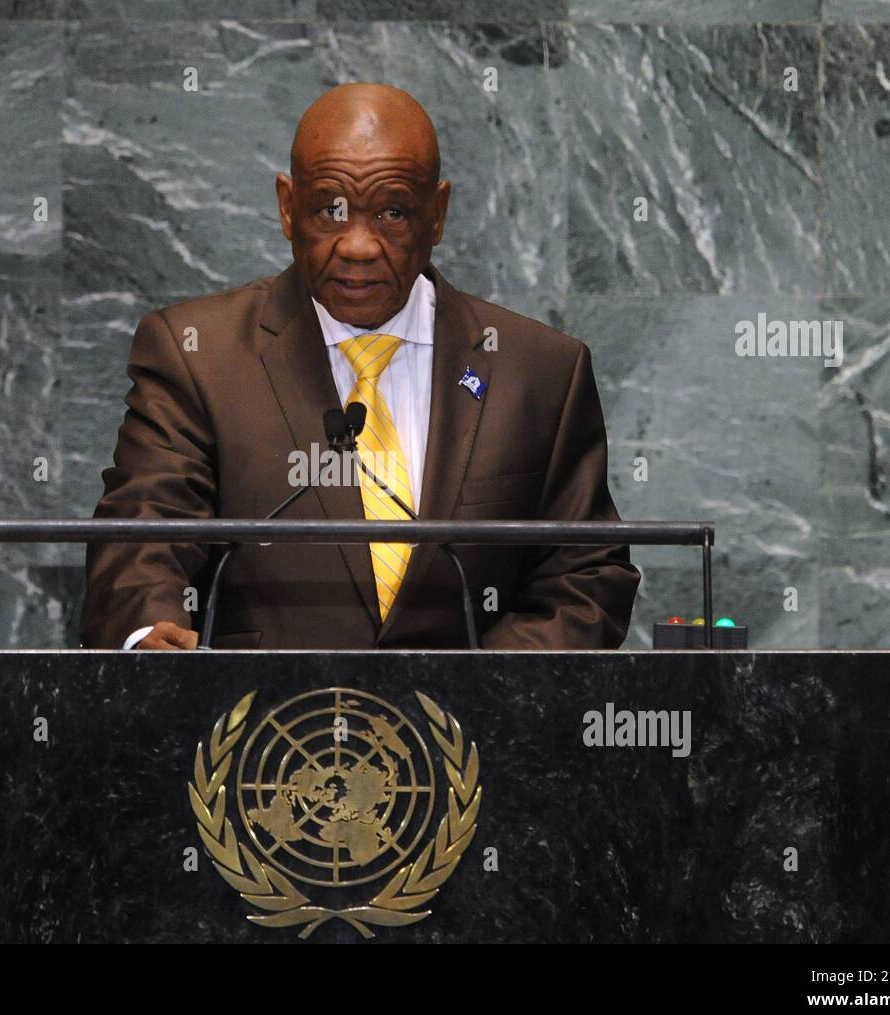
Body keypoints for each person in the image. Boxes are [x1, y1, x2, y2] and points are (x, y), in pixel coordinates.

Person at [80, 83, 639, 651]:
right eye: (331, 210)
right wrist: (150, 635)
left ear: (438, 214)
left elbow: (587, 577)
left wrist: (478, 692)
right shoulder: (197, 354)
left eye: (393, 213)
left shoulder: (539, 371)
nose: (359, 245)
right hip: (261, 728)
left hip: (468, 733)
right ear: (287, 208)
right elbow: (144, 530)